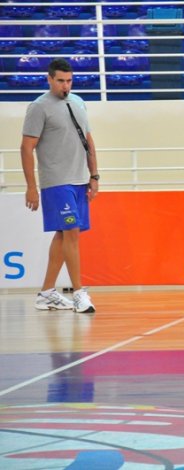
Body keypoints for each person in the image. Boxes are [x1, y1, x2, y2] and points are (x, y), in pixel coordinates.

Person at [21, 58, 99, 314]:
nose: (65, 85)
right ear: (49, 79)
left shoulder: (78, 102)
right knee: (71, 232)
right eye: (60, 81)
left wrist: (94, 176)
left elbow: (88, 141)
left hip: (79, 180)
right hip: (56, 181)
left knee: (64, 235)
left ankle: (46, 293)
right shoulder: (38, 107)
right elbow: (26, 148)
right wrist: (31, 187)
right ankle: (79, 293)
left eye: (69, 81)